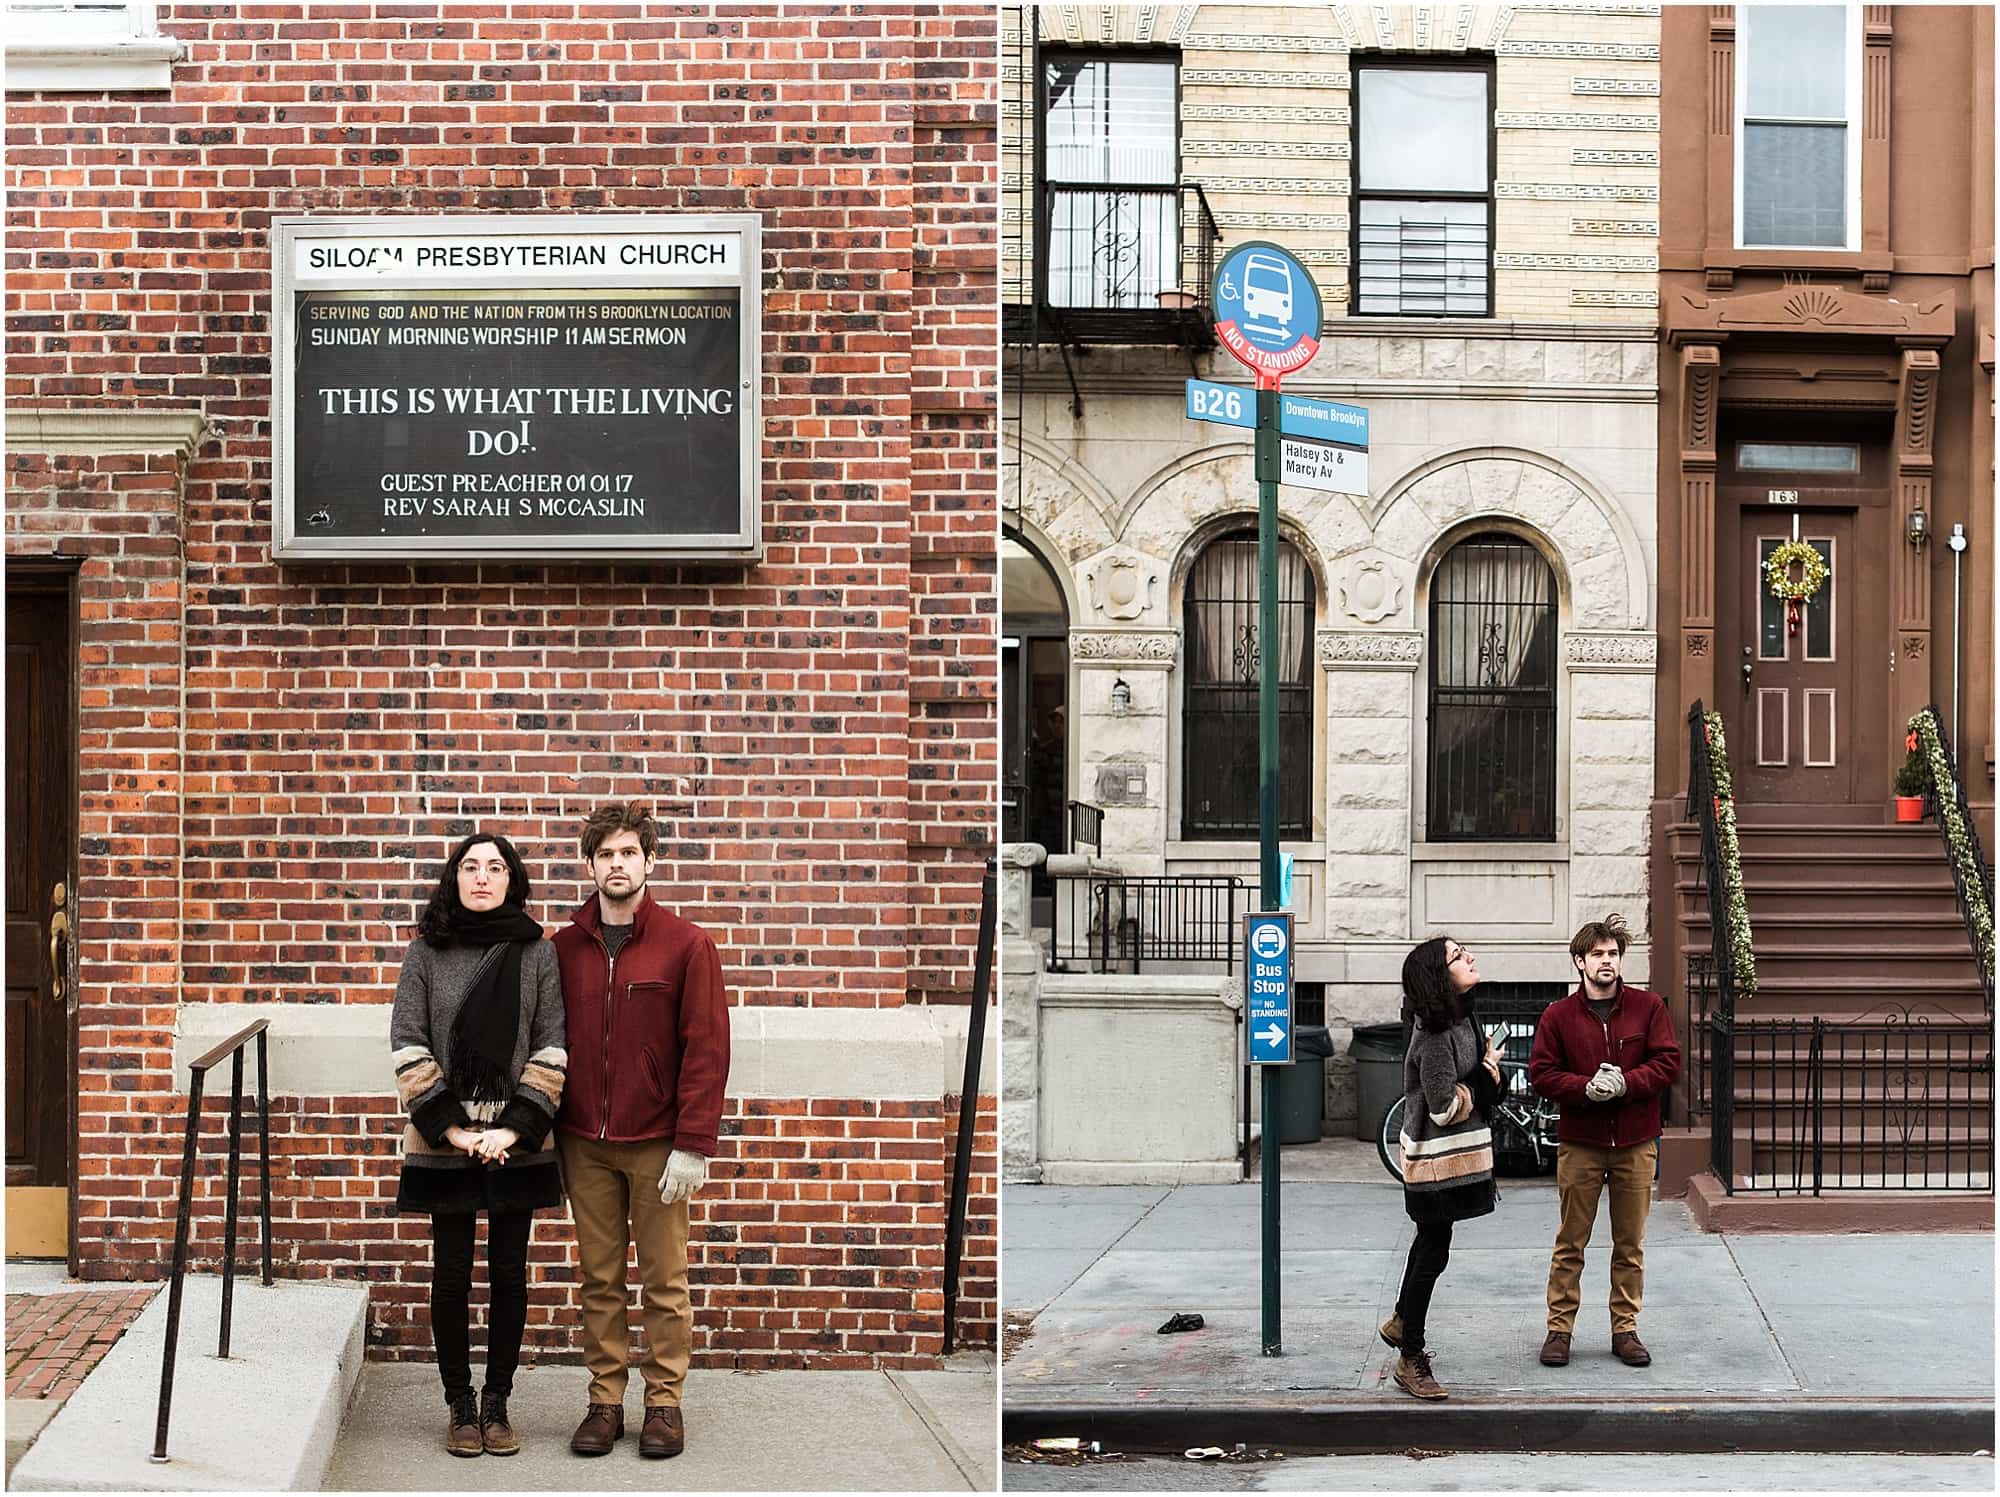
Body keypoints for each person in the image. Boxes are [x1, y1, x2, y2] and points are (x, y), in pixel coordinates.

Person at [553, 801, 730, 1459]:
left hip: (658, 1143)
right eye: (606, 854)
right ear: (591, 863)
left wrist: (694, 1142)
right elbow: (547, 1045)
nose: (617, 864)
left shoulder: (687, 945)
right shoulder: (563, 947)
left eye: (629, 852)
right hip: (583, 1142)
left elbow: (706, 1048)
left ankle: (664, 1404)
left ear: (650, 861)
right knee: (598, 1277)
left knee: (664, 1279)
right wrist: (550, 1142)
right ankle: (604, 1401)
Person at [391, 831, 567, 1458]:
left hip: (516, 1138)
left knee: (511, 1274)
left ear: (512, 880)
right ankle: (459, 1405)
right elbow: (408, 1042)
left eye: (496, 867)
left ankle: (498, 1403)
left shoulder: (537, 952)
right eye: (471, 867)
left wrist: (513, 1128)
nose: (483, 877)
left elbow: (551, 1045)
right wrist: (458, 1131)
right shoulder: (425, 953)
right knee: (452, 1272)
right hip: (448, 1139)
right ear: (454, 878)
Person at [1528, 914, 1681, 1369]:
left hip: (1636, 1143)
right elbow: (1542, 1073)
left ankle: (1625, 1330)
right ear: (1580, 961)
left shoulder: (1648, 1007)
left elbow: (1667, 1062)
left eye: (1613, 954)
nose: (1607, 962)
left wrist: (1626, 1084)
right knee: (1571, 1242)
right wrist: (1585, 1088)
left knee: (1629, 1244)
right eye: (1597, 955)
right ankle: (1559, 1330)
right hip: (1581, 1143)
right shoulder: (1558, 1016)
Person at [1378, 936, 1504, 1400]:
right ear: (1439, 975)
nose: (1470, 956)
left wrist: (1487, 1072)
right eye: (1457, 956)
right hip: (1434, 1162)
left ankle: (1401, 1319)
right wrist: (1487, 1073)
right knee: (1432, 1252)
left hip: (1455, 1159)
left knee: (1432, 1245)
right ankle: (1410, 1357)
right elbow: (1443, 1105)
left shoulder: (1461, 1016)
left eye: (1465, 951)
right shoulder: (1433, 1035)